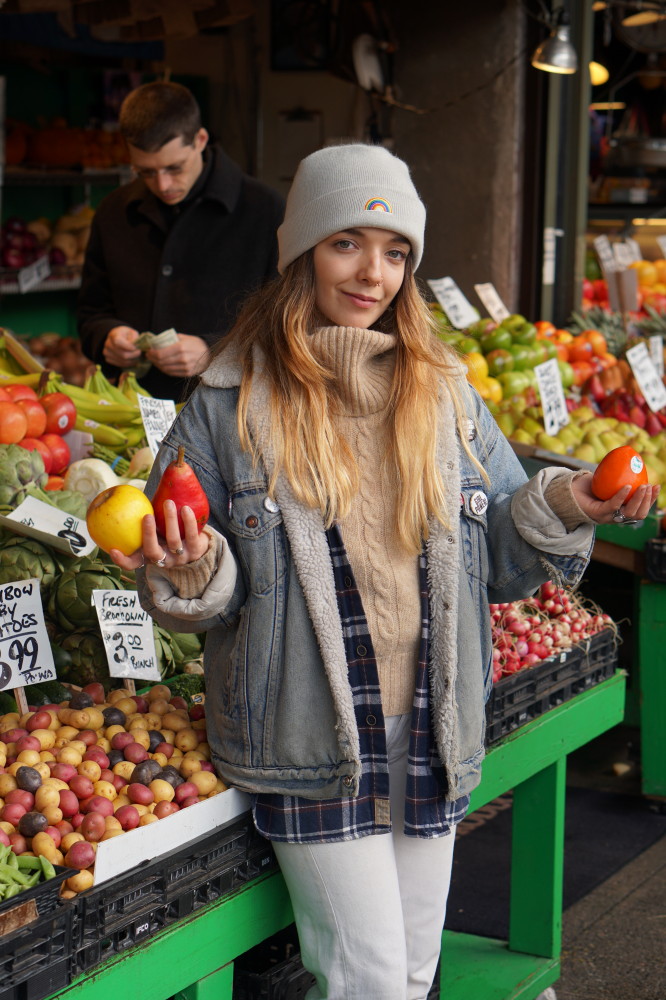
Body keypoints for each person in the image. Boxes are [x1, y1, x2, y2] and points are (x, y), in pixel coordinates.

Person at [112, 144, 657, 1000]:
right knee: (366, 978)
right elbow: (201, 600)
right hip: (312, 735)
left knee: (410, 968)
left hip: (431, 726)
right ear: (302, 252)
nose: (374, 273)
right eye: (347, 243)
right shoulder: (225, 404)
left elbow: (507, 569)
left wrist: (576, 503)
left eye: (396, 252)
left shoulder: (443, 393)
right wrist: (190, 566)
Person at [77, 81, 285, 401]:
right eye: (145, 172)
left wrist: (213, 352)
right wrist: (106, 336)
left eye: (174, 168)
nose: (162, 184)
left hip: (232, 412)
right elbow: (91, 312)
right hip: (131, 408)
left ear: (200, 140)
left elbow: (288, 327)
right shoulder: (112, 211)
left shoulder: (265, 211)